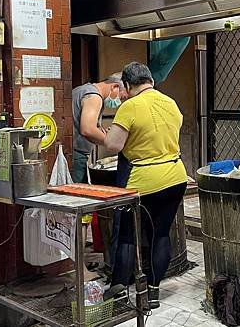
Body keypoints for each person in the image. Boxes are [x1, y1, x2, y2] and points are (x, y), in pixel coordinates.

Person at [104, 62, 188, 309]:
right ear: (150, 81)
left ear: (128, 86)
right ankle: (152, 293)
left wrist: (113, 133)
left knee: (128, 237)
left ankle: (119, 290)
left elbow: (113, 146)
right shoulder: (171, 103)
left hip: (144, 182)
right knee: (161, 234)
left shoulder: (129, 107)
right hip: (175, 177)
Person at [72, 73, 126, 183]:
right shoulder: (94, 96)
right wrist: (111, 142)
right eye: (121, 97)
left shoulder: (82, 89)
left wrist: (101, 132)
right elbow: (87, 129)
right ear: (114, 87)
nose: (119, 102)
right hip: (76, 156)